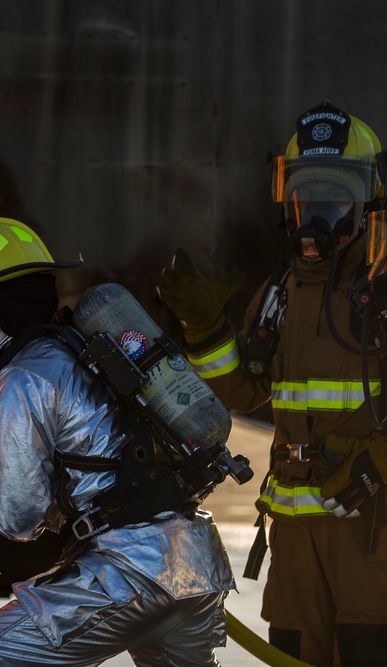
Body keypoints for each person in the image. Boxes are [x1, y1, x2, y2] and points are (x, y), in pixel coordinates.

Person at [0, 216, 235, 666]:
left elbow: (18, 516)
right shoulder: (77, 348)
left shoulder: (22, 377)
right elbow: (90, 467)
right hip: (195, 564)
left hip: (133, 571)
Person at [158, 100, 387, 666]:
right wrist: (205, 330)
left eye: (335, 200)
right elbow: (243, 393)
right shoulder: (281, 294)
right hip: (295, 549)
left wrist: (377, 463)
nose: (318, 216)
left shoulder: (381, 292)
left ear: (366, 204)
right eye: (306, 196)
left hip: (371, 538)